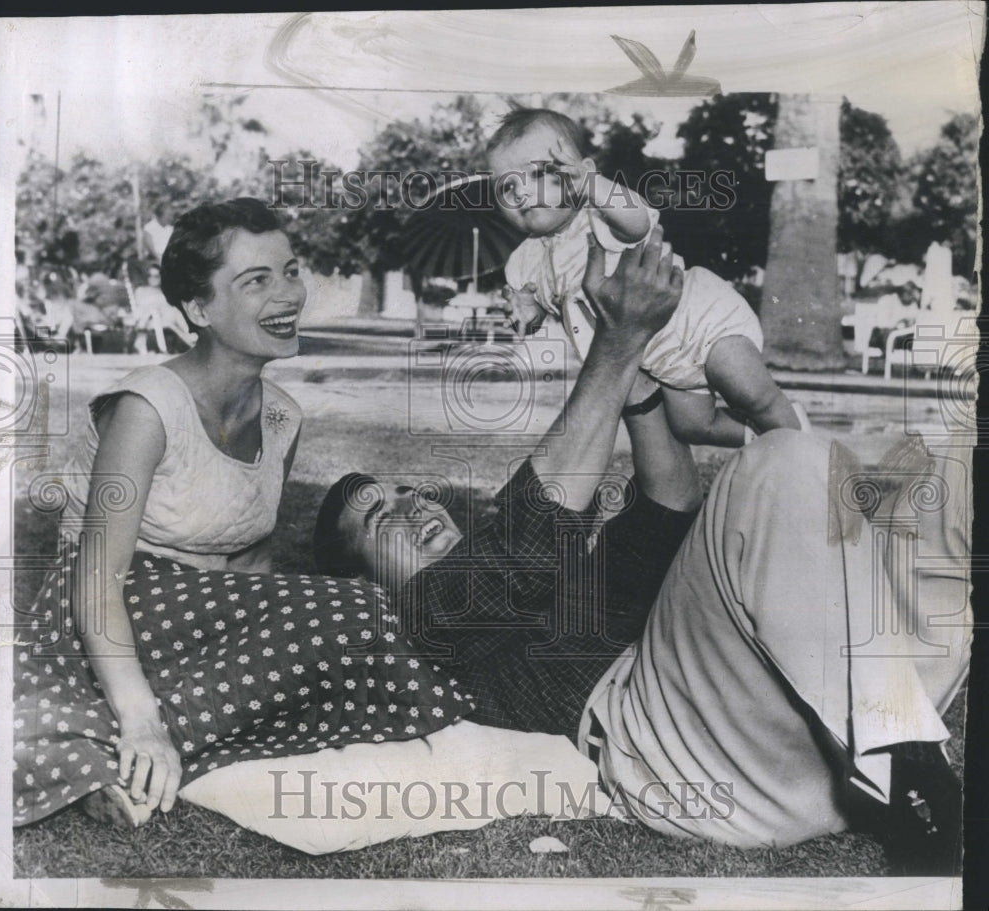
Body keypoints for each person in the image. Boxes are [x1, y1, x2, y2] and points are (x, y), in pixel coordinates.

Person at [314, 223, 970, 874]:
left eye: (403, 491)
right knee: (784, 462)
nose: (408, 505)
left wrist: (637, 373)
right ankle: (894, 744)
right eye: (378, 520)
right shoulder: (424, 617)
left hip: (794, 725)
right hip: (690, 757)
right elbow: (528, 533)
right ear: (365, 583)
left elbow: (671, 500)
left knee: (963, 467)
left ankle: (892, 753)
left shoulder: (555, 580)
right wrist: (615, 342)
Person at [13, 198, 474, 830]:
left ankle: (104, 749)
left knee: (350, 629)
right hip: (106, 613)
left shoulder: (284, 417)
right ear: (199, 309)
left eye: (290, 270)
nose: (288, 294)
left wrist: (267, 652)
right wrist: (145, 722)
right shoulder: (146, 409)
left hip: (199, 621)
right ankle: (128, 736)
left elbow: (252, 561)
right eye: (255, 280)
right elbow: (95, 585)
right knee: (359, 612)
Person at [487, 107, 807, 447]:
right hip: (662, 361)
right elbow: (544, 306)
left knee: (751, 394)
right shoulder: (523, 262)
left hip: (699, 325)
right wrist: (527, 311)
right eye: (507, 186)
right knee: (691, 426)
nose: (521, 193)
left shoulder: (599, 217)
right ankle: (765, 435)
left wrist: (593, 187)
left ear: (583, 172)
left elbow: (638, 221)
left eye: (538, 174)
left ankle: (798, 446)